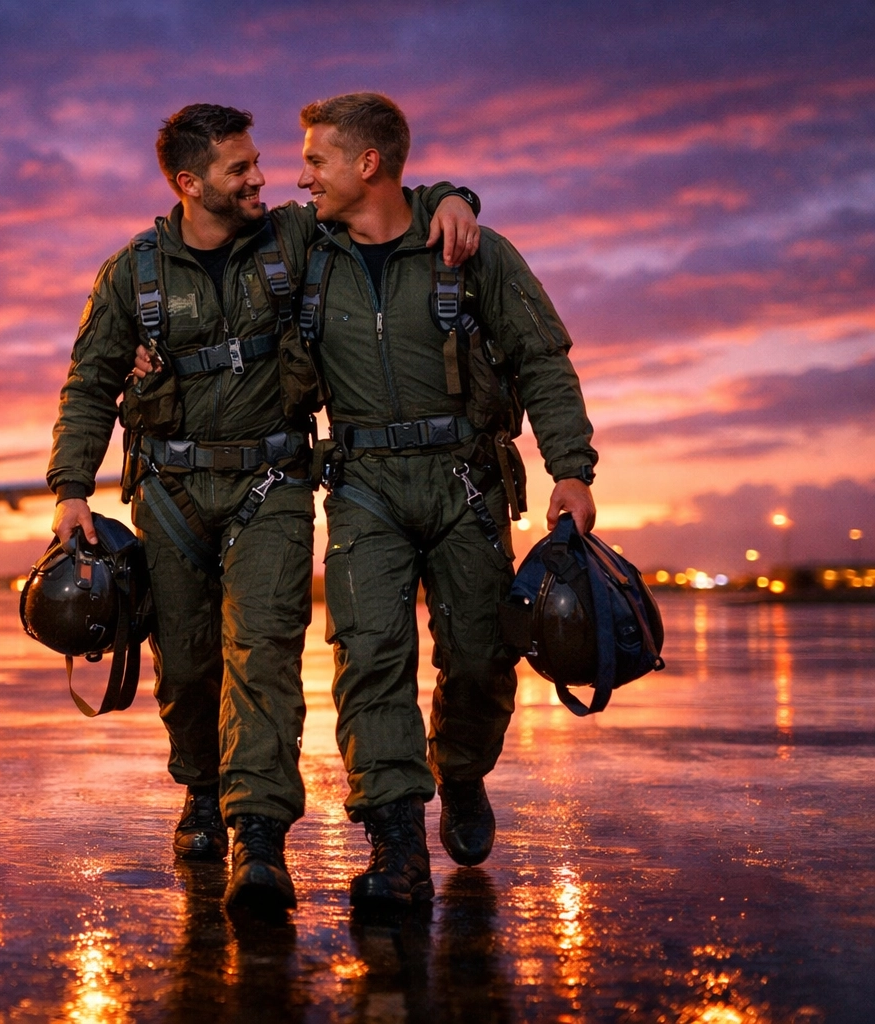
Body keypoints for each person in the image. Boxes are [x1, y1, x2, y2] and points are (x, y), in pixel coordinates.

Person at [46, 102, 480, 914]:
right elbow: (88, 386)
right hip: (170, 493)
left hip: (271, 487)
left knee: (264, 657)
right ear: (189, 182)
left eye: (259, 164)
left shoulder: (290, 236)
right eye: (240, 168)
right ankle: (203, 793)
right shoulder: (130, 275)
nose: (262, 178)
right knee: (187, 667)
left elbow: (382, 195)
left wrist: (456, 197)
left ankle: (258, 840)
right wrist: (71, 490)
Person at [293, 91, 598, 909]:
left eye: (316, 159)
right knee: (369, 656)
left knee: (479, 653)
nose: (300, 176)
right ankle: (395, 839)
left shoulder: (477, 251)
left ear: (368, 164)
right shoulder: (303, 255)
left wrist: (572, 468)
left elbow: (542, 359)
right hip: (363, 486)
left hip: (466, 479)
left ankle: (460, 770)